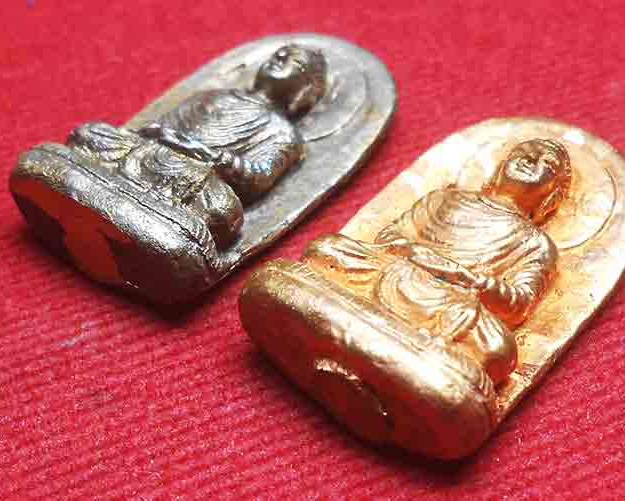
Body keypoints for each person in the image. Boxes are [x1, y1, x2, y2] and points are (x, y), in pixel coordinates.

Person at [303, 139, 571, 384]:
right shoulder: (444, 198)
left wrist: (459, 275)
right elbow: (389, 236)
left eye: (546, 164)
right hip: (394, 271)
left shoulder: (536, 244)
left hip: (453, 304)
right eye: (523, 153)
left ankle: (347, 315)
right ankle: (417, 353)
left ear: (553, 197)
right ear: (500, 167)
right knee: (325, 248)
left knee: (498, 351)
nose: (530, 160)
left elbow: (518, 304)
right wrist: (411, 252)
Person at [66, 44, 328, 247]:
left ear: (306, 92)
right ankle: (151, 215)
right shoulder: (214, 94)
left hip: (194, 177)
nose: (279, 58)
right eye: (279, 54)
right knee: (89, 133)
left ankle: (103, 190)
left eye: (294, 62)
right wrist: (157, 135)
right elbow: (157, 128)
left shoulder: (283, 133)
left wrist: (212, 157)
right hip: (148, 154)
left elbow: (258, 177)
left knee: (222, 212)